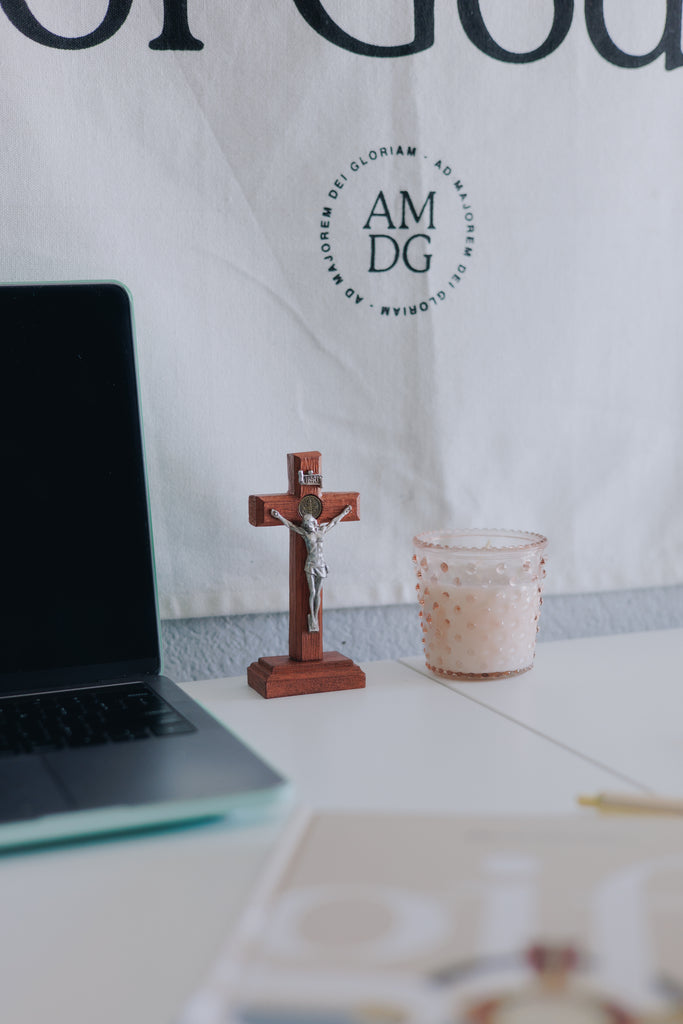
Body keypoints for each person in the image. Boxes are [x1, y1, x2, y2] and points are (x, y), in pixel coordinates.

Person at [270, 505, 352, 632]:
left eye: (308, 522)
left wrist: (344, 513)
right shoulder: (305, 534)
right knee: (312, 592)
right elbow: (291, 526)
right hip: (311, 565)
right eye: (305, 523)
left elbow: (334, 522)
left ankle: (316, 617)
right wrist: (279, 516)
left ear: (314, 522)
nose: (306, 524)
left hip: (321, 564)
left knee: (318, 593)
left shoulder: (322, 531)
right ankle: (312, 617)